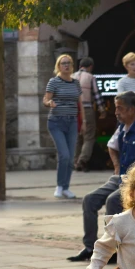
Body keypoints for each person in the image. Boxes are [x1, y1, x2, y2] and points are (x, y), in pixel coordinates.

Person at [67, 91, 135, 262]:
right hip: (120, 178)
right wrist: (117, 166)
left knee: (112, 200)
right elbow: (112, 146)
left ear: (132, 110)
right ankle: (89, 247)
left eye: (120, 108)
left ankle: (113, 249)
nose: (116, 112)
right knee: (89, 200)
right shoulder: (123, 127)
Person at [43, 54, 82, 199]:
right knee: (64, 155)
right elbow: (46, 99)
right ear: (58, 66)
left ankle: (66, 187)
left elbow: (80, 103)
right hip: (56, 121)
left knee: (71, 157)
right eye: (63, 63)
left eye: (69, 63)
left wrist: (82, 122)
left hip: (72, 122)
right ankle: (59, 186)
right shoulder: (54, 82)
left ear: (72, 66)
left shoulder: (76, 83)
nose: (66, 65)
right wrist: (49, 103)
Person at [73, 57, 106, 172]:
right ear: (90, 66)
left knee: (76, 136)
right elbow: (96, 95)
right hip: (86, 109)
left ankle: (75, 161)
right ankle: (83, 160)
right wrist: (102, 109)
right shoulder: (90, 77)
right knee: (89, 136)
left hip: (72, 110)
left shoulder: (71, 77)